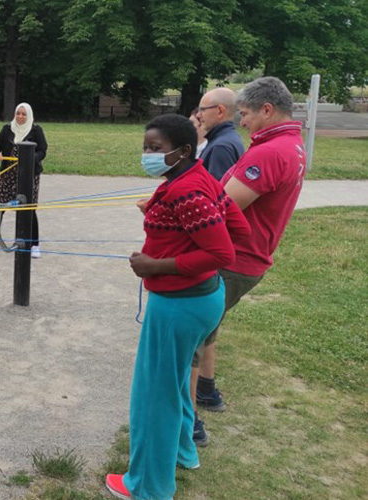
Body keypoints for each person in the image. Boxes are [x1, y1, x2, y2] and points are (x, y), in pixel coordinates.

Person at [105, 114, 249, 500]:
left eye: (156, 149)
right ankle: (185, 452)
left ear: (183, 151)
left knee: (156, 394)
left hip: (180, 305)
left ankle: (148, 487)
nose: (148, 155)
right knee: (172, 386)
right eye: (145, 147)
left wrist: (157, 265)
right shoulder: (198, 179)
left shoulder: (187, 192)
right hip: (203, 299)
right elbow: (239, 228)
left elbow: (222, 249)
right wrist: (168, 221)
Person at [190, 77, 307, 444]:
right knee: (209, 325)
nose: (242, 123)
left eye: (246, 114)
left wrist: (171, 210)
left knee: (189, 337)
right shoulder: (289, 145)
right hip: (248, 259)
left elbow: (220, 209)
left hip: (233, 258)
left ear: (267, 110)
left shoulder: (269, 153)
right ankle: (207, 390)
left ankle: (188, 421)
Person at [0, 103, 48, 258]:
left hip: (28, 176)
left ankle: (34, 244)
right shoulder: (7, 129)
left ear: (29, 115)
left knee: (28, 209)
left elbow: (43, 150)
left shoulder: (36, 130)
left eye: (24, 114)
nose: (20, 116)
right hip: (7, 174)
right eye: (18, 113)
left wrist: (31, 159)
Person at [197, 87, 245, 180]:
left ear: (220, 111)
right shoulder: (230, 138)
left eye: (202, 110)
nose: (198, 115)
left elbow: (217, 191)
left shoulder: (220, 146)